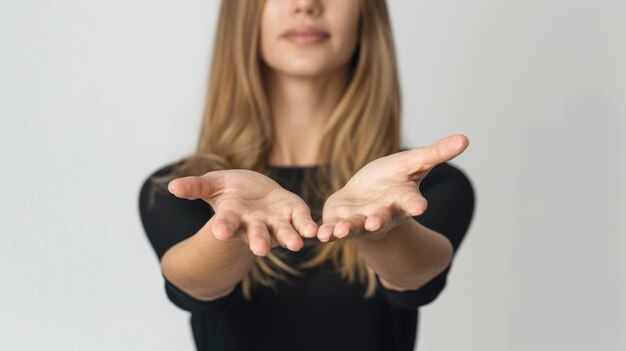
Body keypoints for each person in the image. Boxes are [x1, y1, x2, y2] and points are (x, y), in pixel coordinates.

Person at [138, 0, 475, 350]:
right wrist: (232, 232)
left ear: (367, 11)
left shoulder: (426, 187)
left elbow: (415, 278)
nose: (306, 4)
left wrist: (385, 226)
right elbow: (194, 285)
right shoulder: (180, 191)